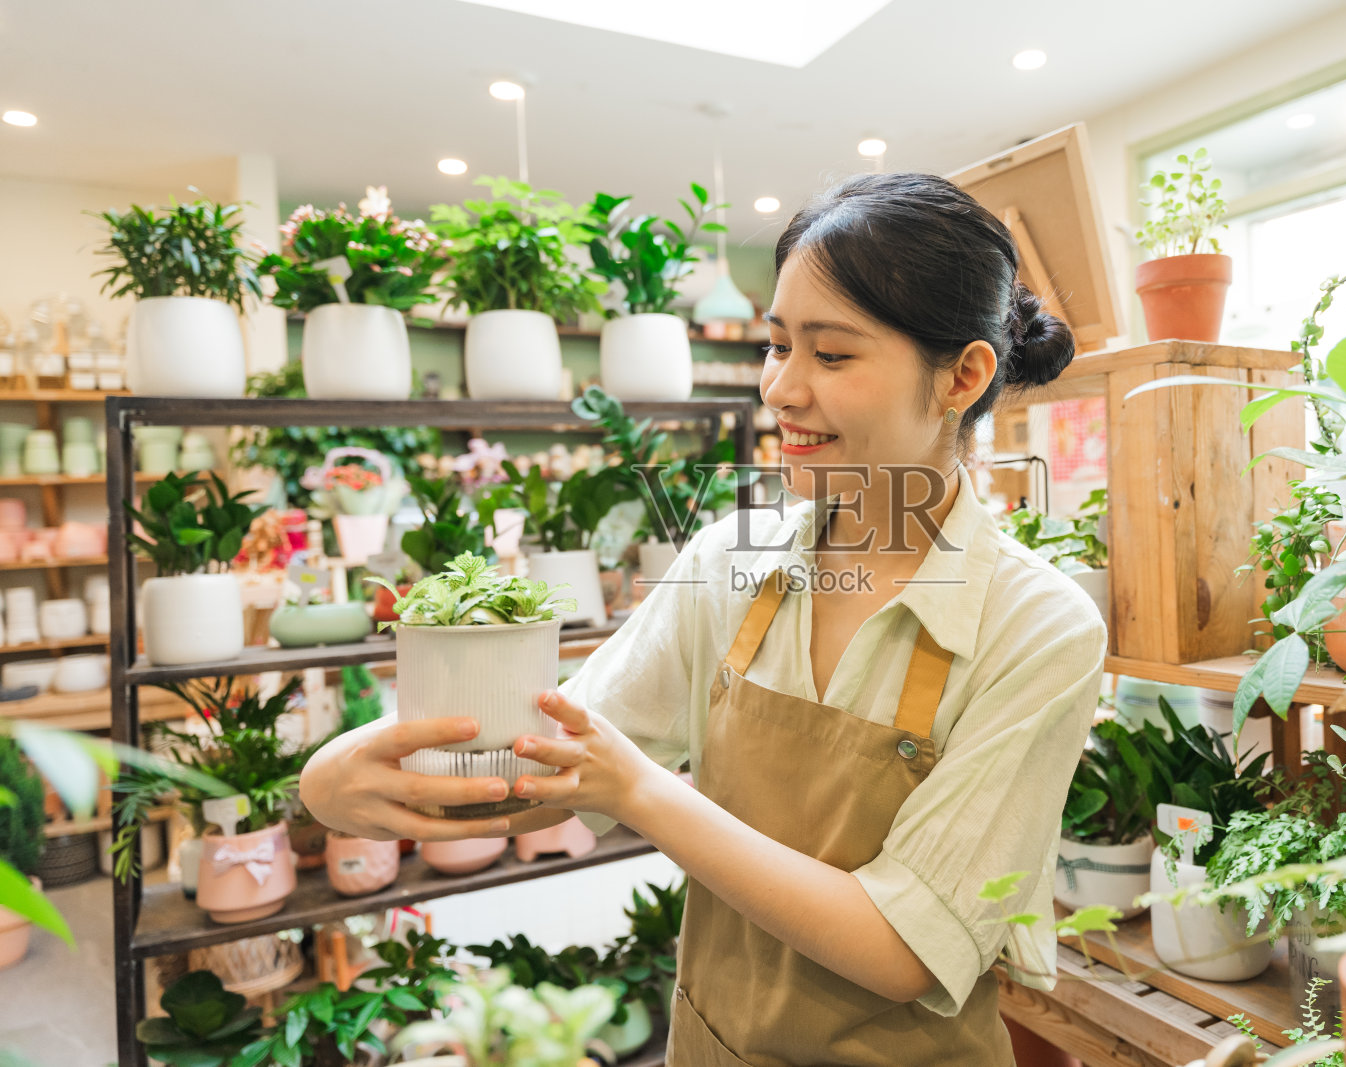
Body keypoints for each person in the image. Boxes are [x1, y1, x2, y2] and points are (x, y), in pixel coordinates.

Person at [300, 171, 1107, 1065]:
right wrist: (345, 785)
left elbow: (904, 948)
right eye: (776, 345)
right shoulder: (728, 561)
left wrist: (643, 791)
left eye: (831, 355)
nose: (781, 390)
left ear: (963, 374)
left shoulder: (1038, 627)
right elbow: (547, 772)